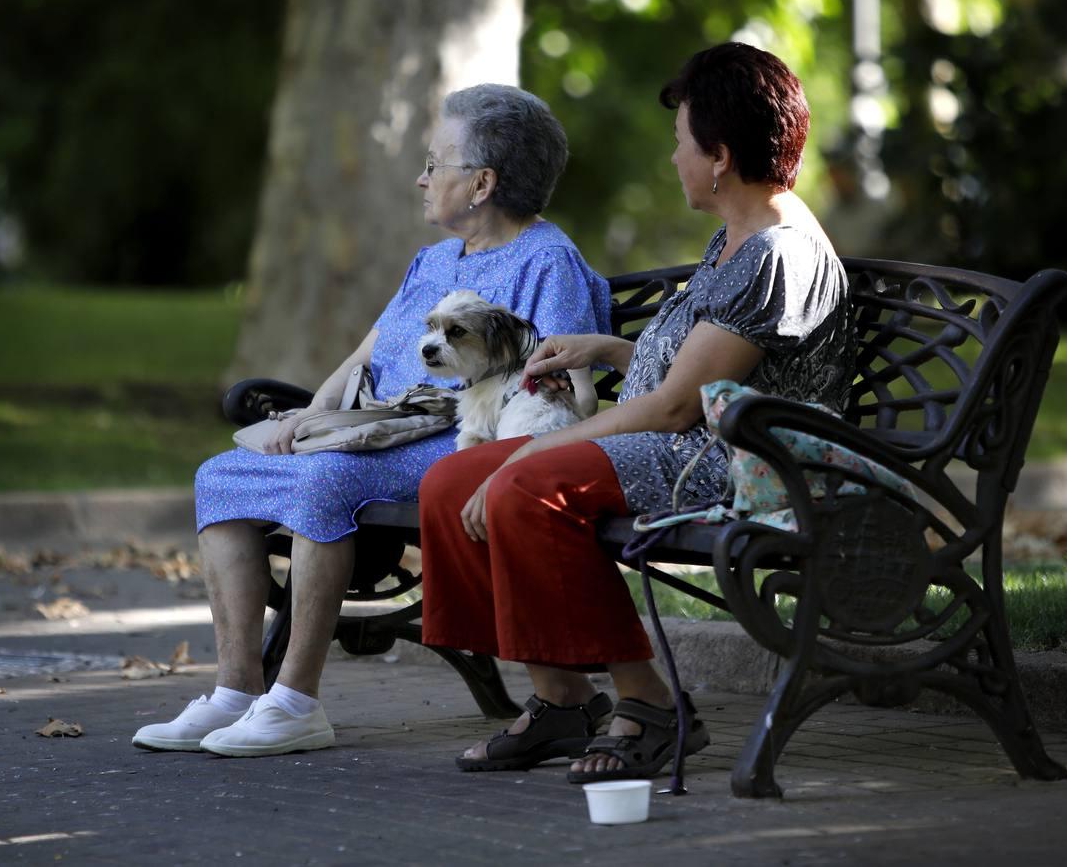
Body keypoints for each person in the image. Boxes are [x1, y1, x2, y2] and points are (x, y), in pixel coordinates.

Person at [418, 43, 857, 783]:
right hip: (691, 437)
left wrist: (528, 455)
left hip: (741, 462)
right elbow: (699, 372)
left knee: (529, 487)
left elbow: (677, 406)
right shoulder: (737, 238)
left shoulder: (775, 254)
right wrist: (610, 352)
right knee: (450, 484)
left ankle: (651, 707)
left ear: (718, 156)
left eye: (680, 144)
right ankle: (562, 701)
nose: (674, 159)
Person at [132, 84, 612, 758]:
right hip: (375, 430)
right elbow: (368, 351)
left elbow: (556, 390)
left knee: (323, 481)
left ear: (481, 182)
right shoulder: (435, 259)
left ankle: (296, 700)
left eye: (433, 162)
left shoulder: (547, 261)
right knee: (221, 474)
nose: (420, 177)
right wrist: (308, 416)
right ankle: (238, 691)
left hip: (456, 440)